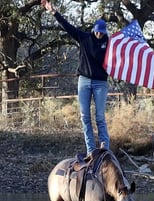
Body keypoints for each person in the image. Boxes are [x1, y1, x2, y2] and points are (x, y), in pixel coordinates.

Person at [41, 0, 110, 155]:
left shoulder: (110, 44)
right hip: (84, 81)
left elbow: (124, 54)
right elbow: (68, 27)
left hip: (100, 83)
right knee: (85, 116)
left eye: (102, 32)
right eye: (97, 31)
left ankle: (105, 148)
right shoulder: (85, 38)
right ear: (94, 30)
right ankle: (91, 149)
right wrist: (54, 12)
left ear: (105, 31)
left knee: (99, 117)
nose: (99, 34)